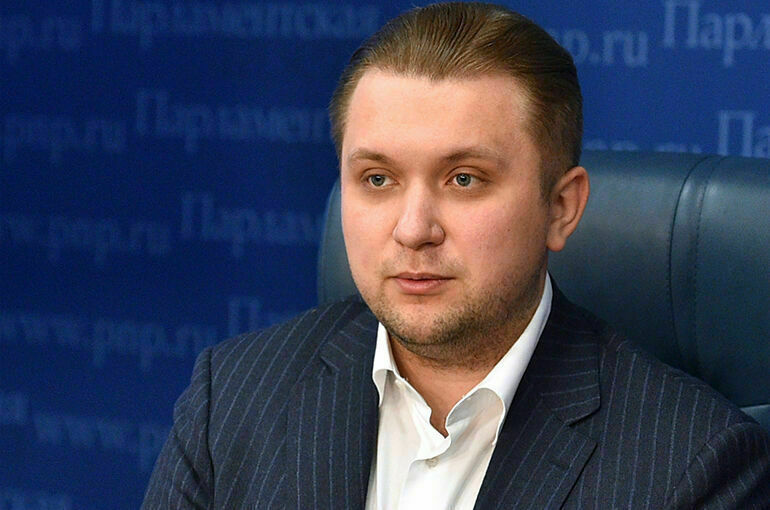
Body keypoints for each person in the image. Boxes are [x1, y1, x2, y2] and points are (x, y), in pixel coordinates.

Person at [142, 3, 770, 508]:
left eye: (464, 179)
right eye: (378, 179)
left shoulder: (696, 463)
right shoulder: (231, 399)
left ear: (561, 207)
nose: (413, 230)